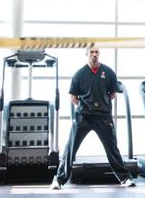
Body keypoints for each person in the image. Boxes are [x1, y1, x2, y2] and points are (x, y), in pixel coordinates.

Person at [50, 48, 134, 189]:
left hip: (103, 116)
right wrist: (86, 106)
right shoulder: (79, 74)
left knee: (112, 148)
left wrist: (102, 104)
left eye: (97, 52)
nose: (94, 55)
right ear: (87, 54)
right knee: (70, 147)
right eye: (91, 52)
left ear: (99, 54)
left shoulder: (108, 72)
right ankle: (58, 179)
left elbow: (113, 93)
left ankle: (125, 178)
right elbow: (73, 98)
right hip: (83, 117)